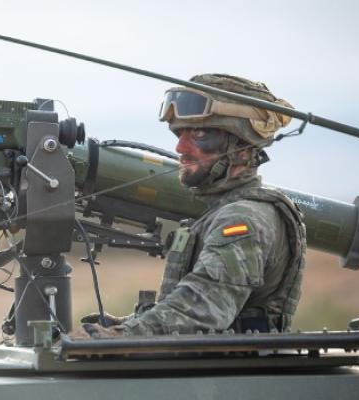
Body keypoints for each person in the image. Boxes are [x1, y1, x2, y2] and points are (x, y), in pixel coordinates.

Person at [77, 73, 307, 338]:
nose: (180, 147)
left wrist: (124, 334)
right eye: (179, 133)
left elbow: (201, 309)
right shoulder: (218, 212)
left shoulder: (242, 219)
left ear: (242, 148)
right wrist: (126, 323)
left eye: (198, 134)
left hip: (233, 376)